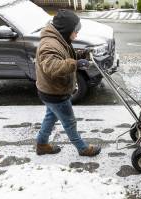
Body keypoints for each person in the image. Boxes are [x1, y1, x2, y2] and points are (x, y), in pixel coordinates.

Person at [35, 9, 101, 157]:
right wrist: (75, 64)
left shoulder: (58, 38)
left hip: (51, 91)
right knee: (69, 123)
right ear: (66, 29)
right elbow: (52, 66)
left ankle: (41, 144)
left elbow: (63, 55)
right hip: (56, 93)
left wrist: (79, 55)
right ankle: (83, 148)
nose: (76, 34)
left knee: (50, 117)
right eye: (75, 31)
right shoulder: (49, 45)